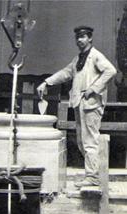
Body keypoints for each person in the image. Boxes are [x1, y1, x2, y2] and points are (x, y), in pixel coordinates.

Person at [37, 25, 117, 188]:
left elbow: (111, 71)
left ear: (90, 38)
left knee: (89, 141)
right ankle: (91, 174)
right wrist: (46, 82)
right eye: (77, 37)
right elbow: (66, 73)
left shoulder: (95, 55)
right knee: (82, 141)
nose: (79, 40)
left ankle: (93, 177)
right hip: (79, 103)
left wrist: (94, 88)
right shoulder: (79, 58)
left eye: (83, 37)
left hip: (91, 105)